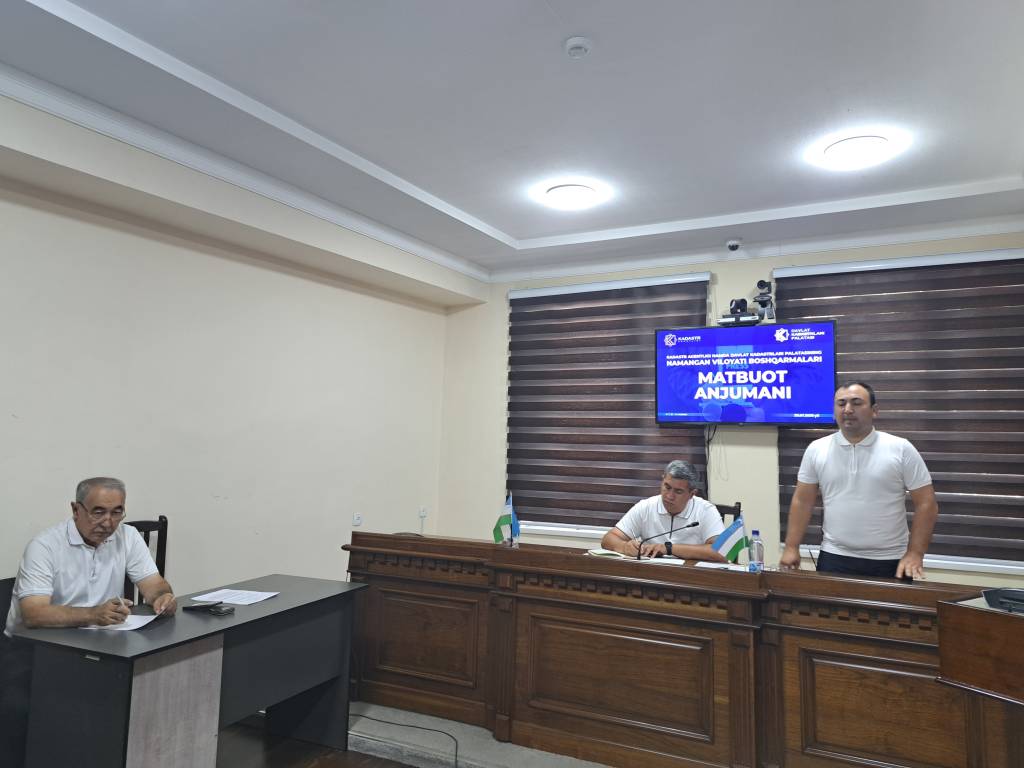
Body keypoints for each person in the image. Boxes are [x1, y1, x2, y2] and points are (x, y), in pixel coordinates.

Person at [0, 477, 176, 768]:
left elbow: (154, 584)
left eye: (117, 512)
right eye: (98, 512)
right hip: (34, 652)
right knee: (41, 713)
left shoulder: (127, 536)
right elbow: (33, 614)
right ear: (76, 509)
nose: (108, 522)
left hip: (95, 648)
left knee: (125, 704)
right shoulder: (45, 546)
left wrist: (162, 597)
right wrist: (93, 614)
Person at [779, 382, 938, 579]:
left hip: (890, 559)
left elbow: (926, 503)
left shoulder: (900, 448)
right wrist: (791, 546)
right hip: (834, 555)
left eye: (856, 403)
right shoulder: (816, 449)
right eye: (841, 403)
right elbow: (802, 501)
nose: (847, 409)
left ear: (874, 411)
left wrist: (915, 552)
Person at [601, 460, 727, 561]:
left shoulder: (705, 510)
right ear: (662, 481)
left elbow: (721, 551)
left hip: (691, 577)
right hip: (652, 576)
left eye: (678, 491)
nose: (669, 496)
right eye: (667, 487)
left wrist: (669, 548)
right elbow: (608, 539)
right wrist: (625, 547)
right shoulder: (646, 506)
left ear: (692, 494)